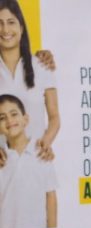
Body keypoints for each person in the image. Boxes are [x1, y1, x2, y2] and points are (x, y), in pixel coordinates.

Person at [0, 0, 59, 160]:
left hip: (37, 163)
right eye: (0, 23)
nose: (5, 29)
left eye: (11, 22)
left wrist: (45, 143)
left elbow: (54, 117)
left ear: (21, 28)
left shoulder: (42, 65)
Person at [0, 93, 56, 228]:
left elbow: (50, 197)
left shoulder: (42, 153)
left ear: (25, 119)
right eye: (2, 118)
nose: (9, 120)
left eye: (14, 114)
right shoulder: (2, 157)